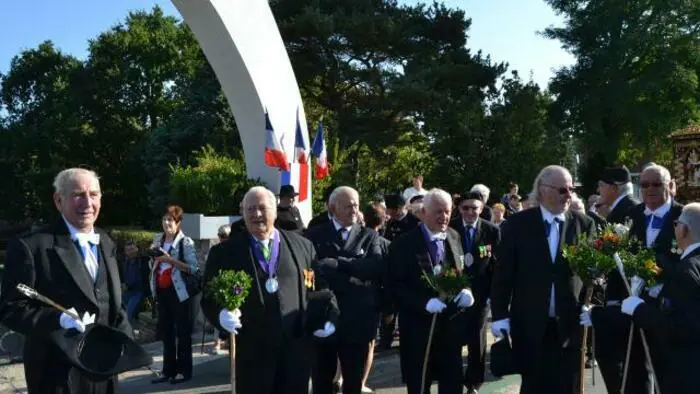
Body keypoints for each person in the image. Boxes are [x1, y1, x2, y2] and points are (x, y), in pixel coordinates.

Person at [0, 168, 132, 393]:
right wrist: (58, 319)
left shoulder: (106, 242)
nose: (87, 202)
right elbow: (11, 310)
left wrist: (127, 343)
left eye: (94, 194)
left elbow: (112, 303)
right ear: (58, 200)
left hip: (104, 371)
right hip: (57, 377)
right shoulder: (31, 247)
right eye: (78, 194)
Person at [202, 186, 336, 394]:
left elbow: (320, 287)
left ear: (274, 211)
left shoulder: (303, 246)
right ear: (242, 213)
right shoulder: (224, 253)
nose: (256, 214)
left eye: (262, 208)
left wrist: (328, 317)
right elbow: (209, 296)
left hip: (294, 351)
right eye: (250, 209)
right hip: (252, 354)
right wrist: (220, 315)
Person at [491, 165, 595, 393]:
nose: (569, 195)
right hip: (529, 324)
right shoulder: (518, 224)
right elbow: (503, 274)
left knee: (569, 386)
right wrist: (499, 315)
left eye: (571, 189)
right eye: (563, 190)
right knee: (534, 386)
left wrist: (592, 304)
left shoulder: (584, 224)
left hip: (569, 325)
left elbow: (594, 272)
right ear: (543, 190)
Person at [587, 163, 682, 393]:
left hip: (669, 313)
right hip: (632, 308)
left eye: (657, 184)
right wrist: (607, 301)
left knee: (670, 372)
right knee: (634, 372)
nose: (650, 189)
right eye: (645, 184)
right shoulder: (632, 216)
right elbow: (615, 262)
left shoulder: (684, 216)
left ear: (670, 186)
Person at [389, 188, 475, 394]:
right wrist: (423, 303)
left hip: (450, 329)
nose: (444, 217)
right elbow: (395, 286)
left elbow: (460, 270)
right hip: (418, 331)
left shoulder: (454, 236)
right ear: (423, 212)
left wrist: (466, 290)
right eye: (438, 212)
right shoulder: (403, 244)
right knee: (419, 385)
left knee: (453, 384)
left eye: (447, 211)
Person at [306, 186, 385, 394]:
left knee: (353, 381)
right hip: (324, 317)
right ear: (333, 208)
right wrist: (354, 274)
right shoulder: (314, 235)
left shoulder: (368, 236)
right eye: (348, 205)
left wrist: (339, 264)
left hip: (357, 318)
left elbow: (374, 267)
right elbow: (313, 271)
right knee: (322, 379)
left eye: (356, 205)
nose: (354, 210)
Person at [619, 202, 700, 394]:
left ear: (684, 230)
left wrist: (639, 309)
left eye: (676, 224)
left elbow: (680, 326)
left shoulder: (686, 270)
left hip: (688, 371)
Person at [450, 192, 500, 394]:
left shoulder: (491, 231)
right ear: (460, 209)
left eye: (475, 208)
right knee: (452, 339)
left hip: (481, 295)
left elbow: (497, 266)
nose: (470, 212)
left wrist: (492, 295)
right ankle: (452, 379)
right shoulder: (451, 227)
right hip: (454, 293)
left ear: (481, 209)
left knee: (476, 340)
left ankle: (473, 383)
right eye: (466, 208)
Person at [150, 205, 199, 385]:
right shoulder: (158, 239)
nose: (166, 223)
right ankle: (168, 370)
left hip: (180, 292)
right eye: (164, 220)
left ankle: (184, 371)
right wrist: (154, 258)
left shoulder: (185, 242)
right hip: (162, 290)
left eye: (170, 220)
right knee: (167, 332)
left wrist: (169, 260)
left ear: (178, 223)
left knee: (183, 333)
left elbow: (193, 268)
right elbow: (154, 264)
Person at [121, 240, 151, 332]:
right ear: (125, 252)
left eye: (133, 249)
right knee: (120, 311)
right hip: (128, 291)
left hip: (139, 291)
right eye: (128, 250)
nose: (131, 252)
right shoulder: (125, 262)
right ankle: (131, 330)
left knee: (128, 313)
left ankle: (128, 334)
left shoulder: (144, 260)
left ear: (137, 249)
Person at [211, 225, 231, 354]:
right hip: (219, 285)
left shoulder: (235, 249)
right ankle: (217, 342)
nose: (223, 238)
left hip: (232, 286)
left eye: (225, 236)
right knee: (218, 315)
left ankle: (228, 341)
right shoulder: (216, 250)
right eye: (221, 236)